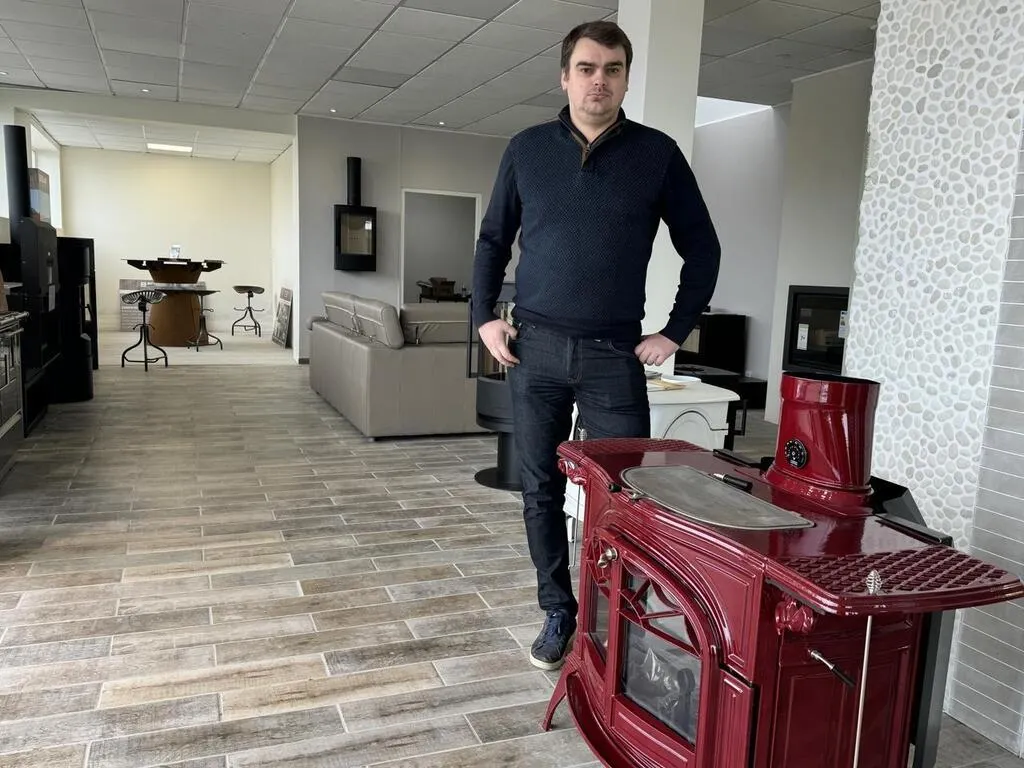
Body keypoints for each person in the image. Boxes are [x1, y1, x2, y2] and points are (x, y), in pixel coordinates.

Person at [471, 19, 721, 671]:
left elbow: (703, 247)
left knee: (625, 493)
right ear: (565, 77)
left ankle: (614, 611)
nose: (598, 81)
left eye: (612, 69)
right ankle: (559, 610)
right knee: (539, 489)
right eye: (586, 68)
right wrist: (483, 316)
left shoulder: (657, 154)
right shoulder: (527, 149)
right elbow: (493, 240)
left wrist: (675, 330)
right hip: (535, 349)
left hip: (614, 355)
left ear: (626, 79)